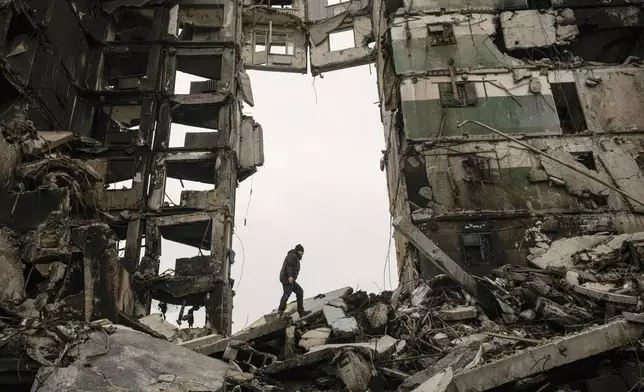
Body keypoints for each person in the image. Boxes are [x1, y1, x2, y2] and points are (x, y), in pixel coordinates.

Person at [278, 244, 311, 317]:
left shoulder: (295, 257)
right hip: (287, 278)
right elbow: (289, 266)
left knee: (299, 291)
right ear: (299, 251)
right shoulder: (292, 256)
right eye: (302, 252)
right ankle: (280, 311)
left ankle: (301, 312)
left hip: (290, 278)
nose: (302, 253)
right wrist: (290, 276)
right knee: (287, 293)